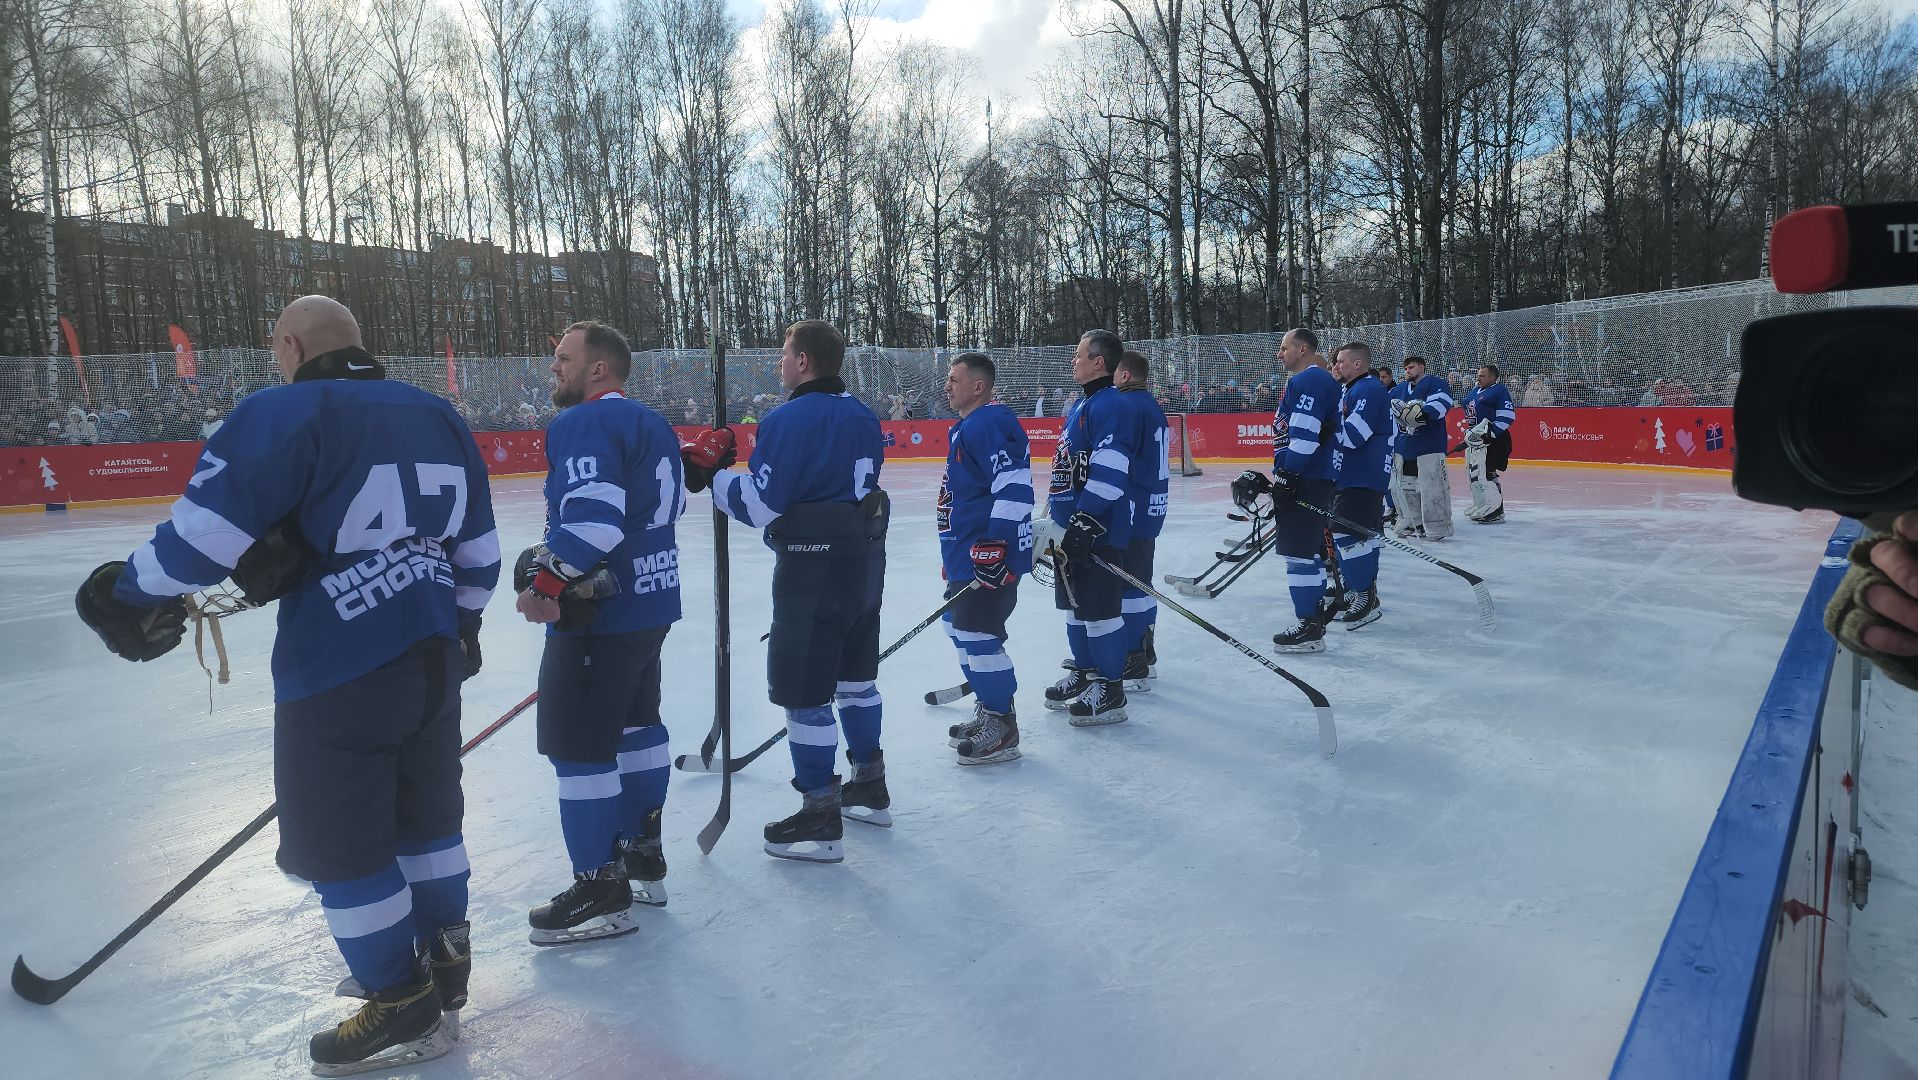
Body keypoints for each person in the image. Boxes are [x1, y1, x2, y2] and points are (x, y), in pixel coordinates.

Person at [73, 295, 499, 1073]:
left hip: (339, 663)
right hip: (436, 655)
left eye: (275, 349)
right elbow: (480, 552)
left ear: (293, 345)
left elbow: (200, 543)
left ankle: (398, 996)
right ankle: (447, 960)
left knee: (340, 847)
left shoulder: (283, 411)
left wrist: (121, 593)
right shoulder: (438, 416)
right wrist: (459, 625)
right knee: (427, 819)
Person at [682, 319, 888, 864]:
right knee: (855, 678)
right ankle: (869, 782)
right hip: (864, 564)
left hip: (812, 570)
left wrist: (714, 476)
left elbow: (760, 505)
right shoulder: (863, 414)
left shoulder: (790, 418)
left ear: (802, 362)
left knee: (803, 692)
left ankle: (820, 814)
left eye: (783, 355)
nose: (779, 364)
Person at [512, 321, 684, 945]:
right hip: (651, 604)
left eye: (563, 358)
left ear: (599, 370)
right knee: (638, 726)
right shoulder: (652, 423)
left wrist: (547, 587)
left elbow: (596, 523)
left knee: (579, 748)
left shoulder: (581, 422)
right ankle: (643, 857)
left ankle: (599, 888)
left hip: (600, 616)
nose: (553, 367)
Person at [1038, 329, 1141, 725]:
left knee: (1100, 613)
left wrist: (1085, 519)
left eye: (1079, 354)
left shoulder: (1112, 405)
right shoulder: (1081, 408)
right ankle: (1084, 674)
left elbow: (1111, 469)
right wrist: (1056, 516)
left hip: (1097, 529)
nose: (1073, 361)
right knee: (1075, 609)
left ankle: (1110, 687)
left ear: (1099, 361)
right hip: (1071, 530)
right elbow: (1068, 473)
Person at [936, 352, 1033, 764]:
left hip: (986, 556)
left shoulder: (989, 422)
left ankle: (1002, 725)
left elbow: (1013, 486)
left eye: (955, 379)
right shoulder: (967, 427)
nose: (947, 385)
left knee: (979, 636)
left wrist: (996, 545)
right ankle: (989, 710)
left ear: (978, 386)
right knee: (958, 628)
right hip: (966, 555)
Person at [1230, 327, 1342, 653]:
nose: (1280, 354)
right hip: (1312, 476)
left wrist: (1289, 476)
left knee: (1298, 554)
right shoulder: (1315, 381)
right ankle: (1314, 619)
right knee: (1307, 552)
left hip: (1307, 478)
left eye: (1284, 348)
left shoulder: (1309, 380)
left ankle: (1309, 627)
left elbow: (1305, 434)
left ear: (1302, 348)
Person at [1326, 343, 1391, 628]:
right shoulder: (1355, 390)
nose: (1336, 366)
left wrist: (1321, 426)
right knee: (1358, 537)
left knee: (1349, 536)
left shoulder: (1367, 389)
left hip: (1362, 477)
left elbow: (1353, 436)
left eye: (1341, 361)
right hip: (1356, 476)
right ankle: (1357, 588)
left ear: (1357, 364)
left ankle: (1366, 595)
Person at [1114, 349, 1168, 687]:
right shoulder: (1151, 405)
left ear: (1126, 375)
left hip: (1132, 507)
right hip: (1151, 505)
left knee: (1128, 584)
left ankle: (1134, 656)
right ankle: (1145, 651)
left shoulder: (1128, 407)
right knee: (1141, 581)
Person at [1388, 355, 1456, 540]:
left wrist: (1422, 414)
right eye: (1405, 369)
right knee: (1405, 487)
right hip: (1404, 448)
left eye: (1411, 367)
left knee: (1433, 488)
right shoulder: (1399, 389)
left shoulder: (1435, 383)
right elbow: (1386, 408)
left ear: (1421, 367)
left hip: (1429, 447)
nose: (1407, 371)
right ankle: (1412, 522)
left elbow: (1442, 404)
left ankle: (1437, 527)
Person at [1463, 363, 1517, 524]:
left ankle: (1495, 510)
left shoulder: (1499, 390)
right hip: (1477, 439)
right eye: (1478, 375)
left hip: (1494, 440)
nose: (1478, 378)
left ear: (1493, 377)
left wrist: (1490, 434)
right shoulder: (1475, 390)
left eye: (1482, 375)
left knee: (1486, 472)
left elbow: (1507, 416)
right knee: (1475, 472)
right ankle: (1483, 503)